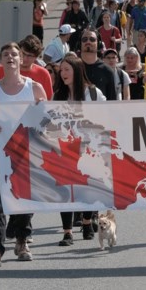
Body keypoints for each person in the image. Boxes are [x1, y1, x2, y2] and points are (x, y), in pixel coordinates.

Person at [0, 43, 48, 267]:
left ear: (21, 60)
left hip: (27, 151)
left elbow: (48, 118)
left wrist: (39, 125)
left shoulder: (34, 88)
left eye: (14, 54)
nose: (10, 57)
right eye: (6, 54)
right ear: (1, 61)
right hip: (0, 150)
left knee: (24, 196)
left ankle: (22, 239)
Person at [53, 54, 106, 245]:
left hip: (90, 148)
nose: (63, 73)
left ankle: (86, 221)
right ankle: (67, 232)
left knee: (88, 187)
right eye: (61, 70)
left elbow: (105, 117)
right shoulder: (58, 95)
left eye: (67, 69)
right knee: (66, 189)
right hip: (66, 149)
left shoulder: (93, 93)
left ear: (76, 70)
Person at [0, 35, 54, 99]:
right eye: (23, 53)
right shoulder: (1, 69)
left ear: (36, 57)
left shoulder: (43, 74)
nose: (25, 58)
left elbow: (47, 102)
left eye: (30, 56)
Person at [78, 28, 118, 101]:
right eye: (84, 39)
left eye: (92, 39)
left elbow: (112, 102)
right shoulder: (73, 68)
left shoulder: (107, 71)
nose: (88, 41)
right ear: (80, 43)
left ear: (98, 43)